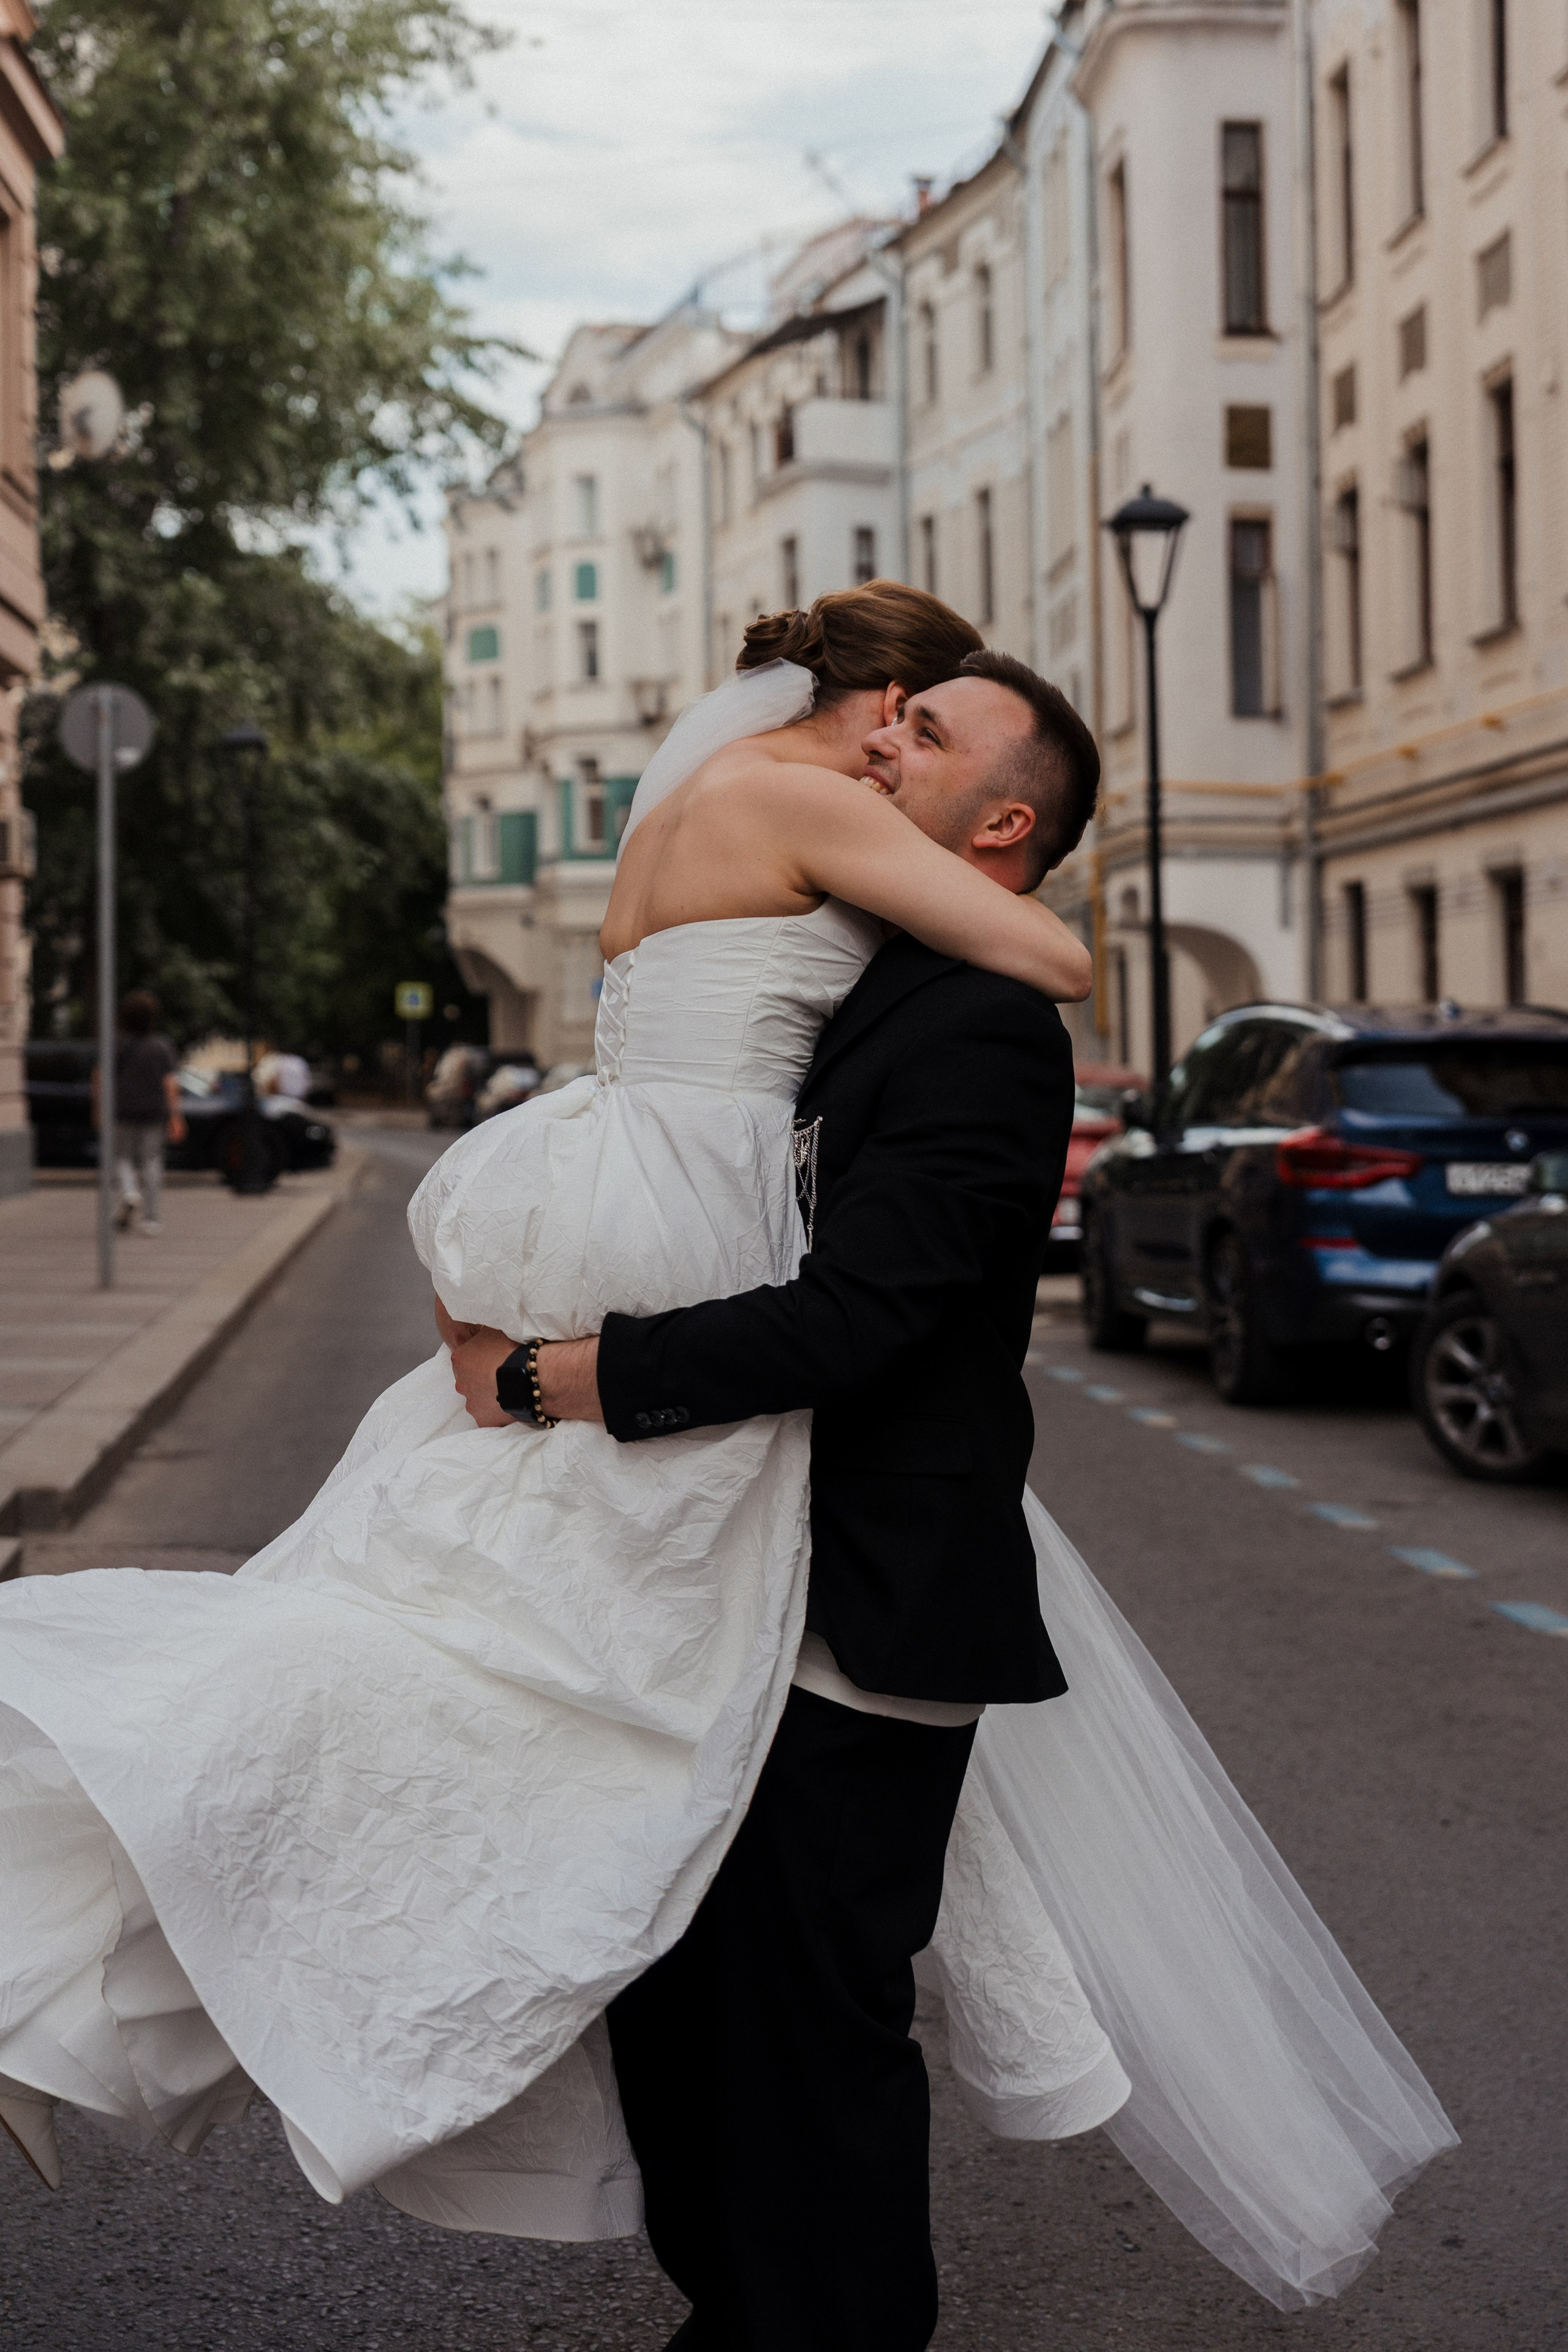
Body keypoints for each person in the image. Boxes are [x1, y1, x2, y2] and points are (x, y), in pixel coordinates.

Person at [0, 584, 1452, 2340]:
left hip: (861, 1600)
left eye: (933, 730)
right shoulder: (864, 961)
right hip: (726, 1568)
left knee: (807, 2043)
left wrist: (555, 1375)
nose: (887, 735)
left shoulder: (984, 1021)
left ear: (1002, 823)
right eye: (892, 714)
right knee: (685, 2006)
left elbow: (872, 1315)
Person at [100, 990, 185, 1235]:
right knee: (152, 1162)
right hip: (154, 1113)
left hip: (123, 1111)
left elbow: (101, 1077)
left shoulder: (116, 1045)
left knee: (120, 1157)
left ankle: (129, 1193)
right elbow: (170, 1084)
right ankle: (151, 1219)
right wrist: (176, 1116)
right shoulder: (162, 1046)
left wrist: (99, 1109)